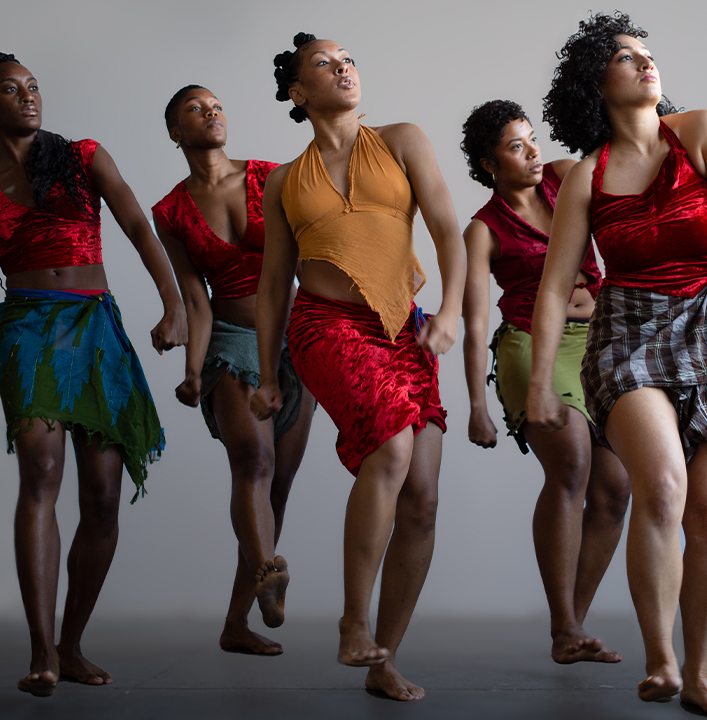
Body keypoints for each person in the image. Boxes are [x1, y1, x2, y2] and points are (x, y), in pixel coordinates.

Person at [530, 13, 707, 712]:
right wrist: (538, 384)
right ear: (598, 83)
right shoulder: (587, 176)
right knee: (665, 488)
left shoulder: (702, 132)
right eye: (624, 57)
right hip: (627, 334)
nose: (645, 64)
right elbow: (557, 286)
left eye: (647, 54)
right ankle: (661, 659)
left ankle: (702, 673)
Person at [0, 53, 187, 697]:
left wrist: (176, 307)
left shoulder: (83, 156)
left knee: (104, 497)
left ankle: (72, 641)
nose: (28, 96)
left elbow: (139, 226)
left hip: (96, 331)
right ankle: (41, 652)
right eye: (10, 89)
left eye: (33, 86)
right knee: (42, 478)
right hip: (27, 334)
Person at [251, 32, 466, 701]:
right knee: (393, 451)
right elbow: (272, 285)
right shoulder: (285, 180)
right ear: (299, 92)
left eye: (349, 60)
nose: (344, 68)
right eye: (326, 63)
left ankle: (383, 658)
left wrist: (452, 312)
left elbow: (446, 231)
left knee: (423, 500)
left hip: (404, 327)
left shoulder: (402, 139)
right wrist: (265, 374)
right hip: (324, 326)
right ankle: (352, 620)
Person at [459, 99, 630, 664]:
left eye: (531, 139)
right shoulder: (483, 229)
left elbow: (618, 150)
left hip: (599, 342)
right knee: (573, 464)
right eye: (515, 146)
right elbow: (477, 319)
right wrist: (477, 406)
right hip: (533, 347)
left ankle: (571, 628)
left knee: (616, 487)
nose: (533, 152)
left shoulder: (561, 178)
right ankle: (565, 624)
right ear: (489, 164)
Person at [152, 84, 317, 655]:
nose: (212, 112)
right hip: (229, 341)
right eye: (196, 109)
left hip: (295, 342)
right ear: (175, 132)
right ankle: (270, 573)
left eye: (217, 105)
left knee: (279, 489)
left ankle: (235, 624)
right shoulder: (169, 211)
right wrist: (195, 371)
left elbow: (316, 249)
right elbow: (194, 300)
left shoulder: (272, 176)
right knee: (255, 460)